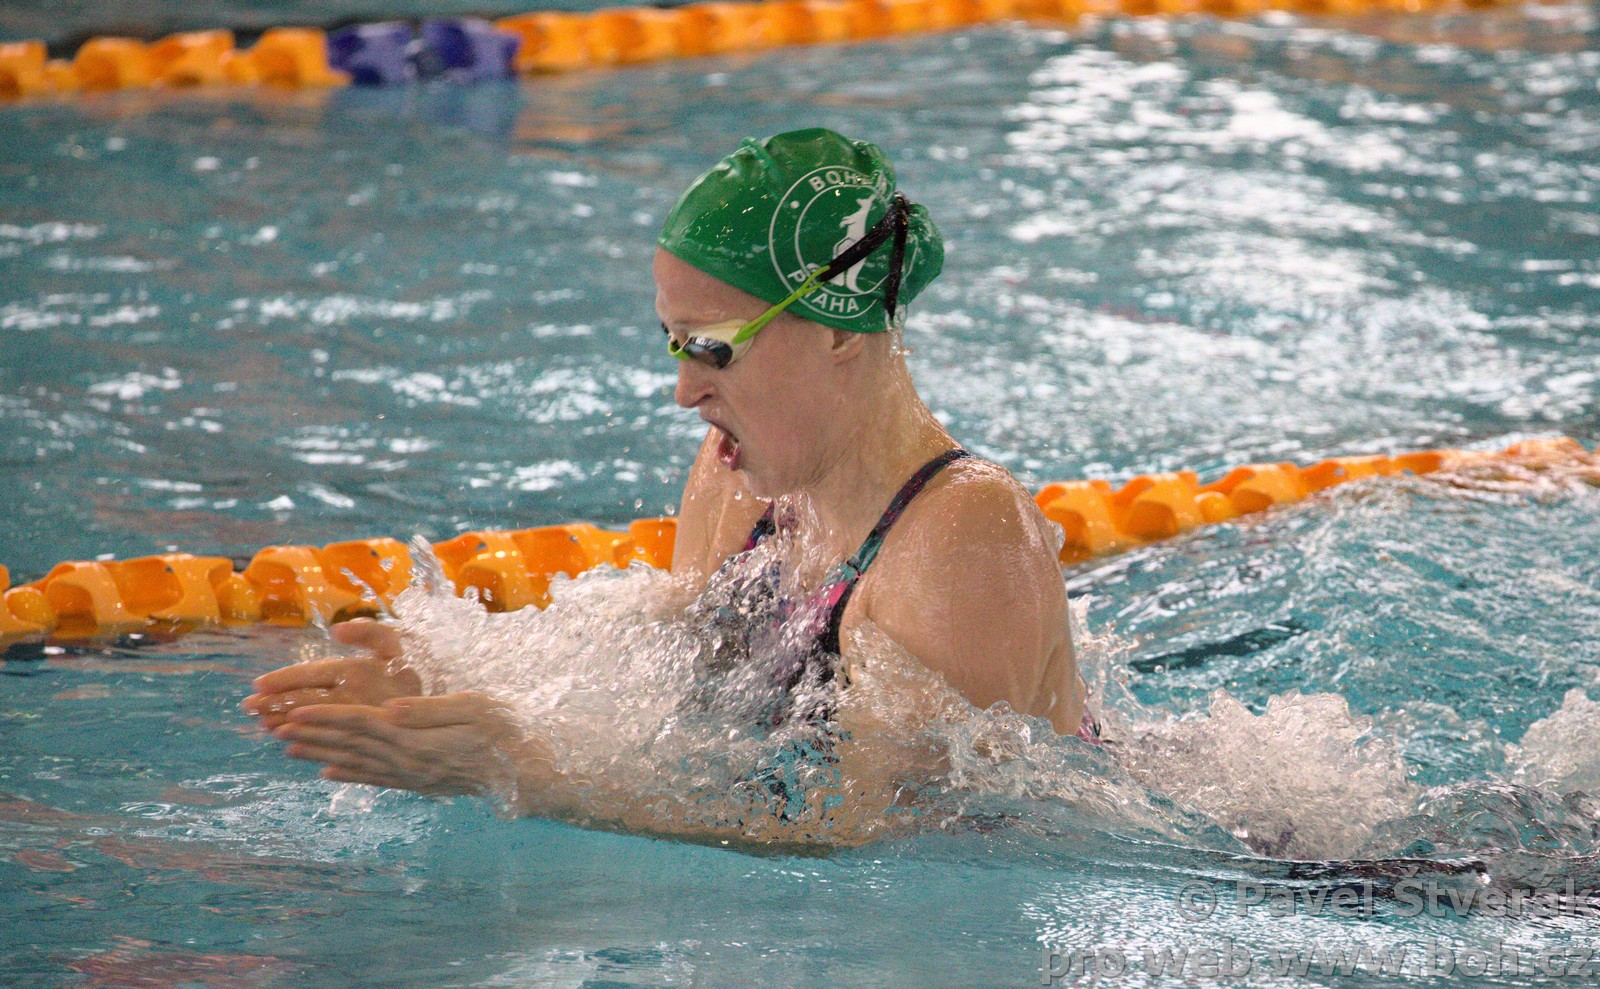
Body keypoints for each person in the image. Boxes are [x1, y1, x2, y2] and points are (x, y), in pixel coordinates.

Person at [243, 128, 1090, 844]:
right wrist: (449, 695)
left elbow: (871, 833)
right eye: (673, 342)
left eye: (714, 347)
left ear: (839, 332)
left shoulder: (963, 535)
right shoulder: (740, 480)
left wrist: (527, 770)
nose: (684, 390)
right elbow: (672, 694)